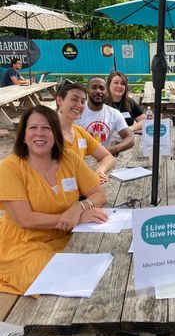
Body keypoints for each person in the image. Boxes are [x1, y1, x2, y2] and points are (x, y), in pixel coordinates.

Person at [0, 105, 108, 295]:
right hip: (24, 244)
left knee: (103, 271)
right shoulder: (10, 167)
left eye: (46, 128)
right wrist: (77, 218)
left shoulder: (69, 158)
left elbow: (99, 194)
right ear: (23, 135)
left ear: (56, 133)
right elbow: (25, 219)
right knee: (65, 282)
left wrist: (79, 207)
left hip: (66, 236)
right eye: (33, 128)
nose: (39, 134)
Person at [56, 81, 116, 184]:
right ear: (60, 100)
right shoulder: (45, 133)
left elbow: (108, 157)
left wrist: (100, 171)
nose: (79, 105)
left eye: (83, 101)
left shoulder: (79, 132)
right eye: (74, 99)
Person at [76, 76, 135, 156]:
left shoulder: (114, 114)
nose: (98, 91)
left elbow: (130, 138)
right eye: (94, 88)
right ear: (87, 90)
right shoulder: (76, 111)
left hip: (104, 158)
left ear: (107, 92)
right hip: (80, 157)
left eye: (102, 88)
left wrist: (114, 149)